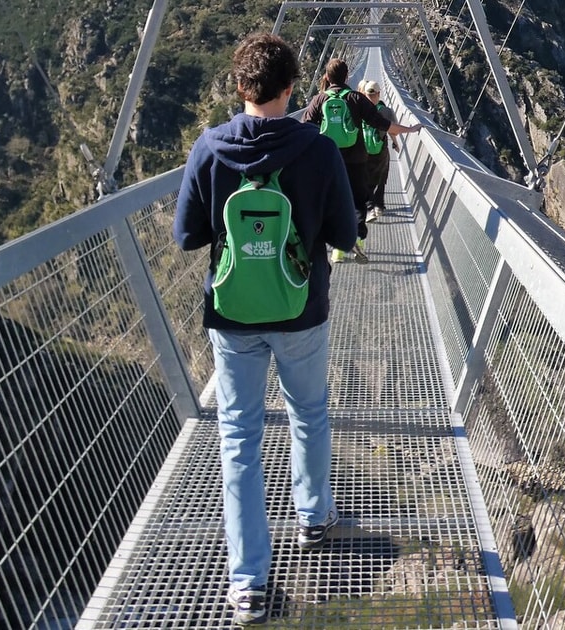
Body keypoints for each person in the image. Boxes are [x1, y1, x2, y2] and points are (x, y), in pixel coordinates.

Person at [173, 32, 357, 626]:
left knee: (239, 439)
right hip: (301, 311)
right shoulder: (320, 149)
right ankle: (314, 518)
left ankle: (249, 584)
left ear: (239, 86)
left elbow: (186, 237)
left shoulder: (210, 147)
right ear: (290, 87)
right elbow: (346, 235)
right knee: (309, 413)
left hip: (232, 318)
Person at [303, 60, 422, 262]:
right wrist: (409, 130)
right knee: (358, 202)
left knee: (334, 201)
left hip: (329, 159)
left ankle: (338, 250)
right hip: (357, 160)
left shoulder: (319, 99)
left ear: (326, 76)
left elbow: (305, 128)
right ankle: (358, 239)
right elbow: (382, 124)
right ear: (347, 76)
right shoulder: (356, 98)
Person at [358, 80, 399, 223]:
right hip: (381, 148)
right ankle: (379, 205)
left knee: (365, 177)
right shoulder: (385, 110)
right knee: (382, 175)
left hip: (364, 149)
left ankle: (369, 206)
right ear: (379, 93)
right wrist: (396, 143)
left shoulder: (360, 108)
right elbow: (393, 129)